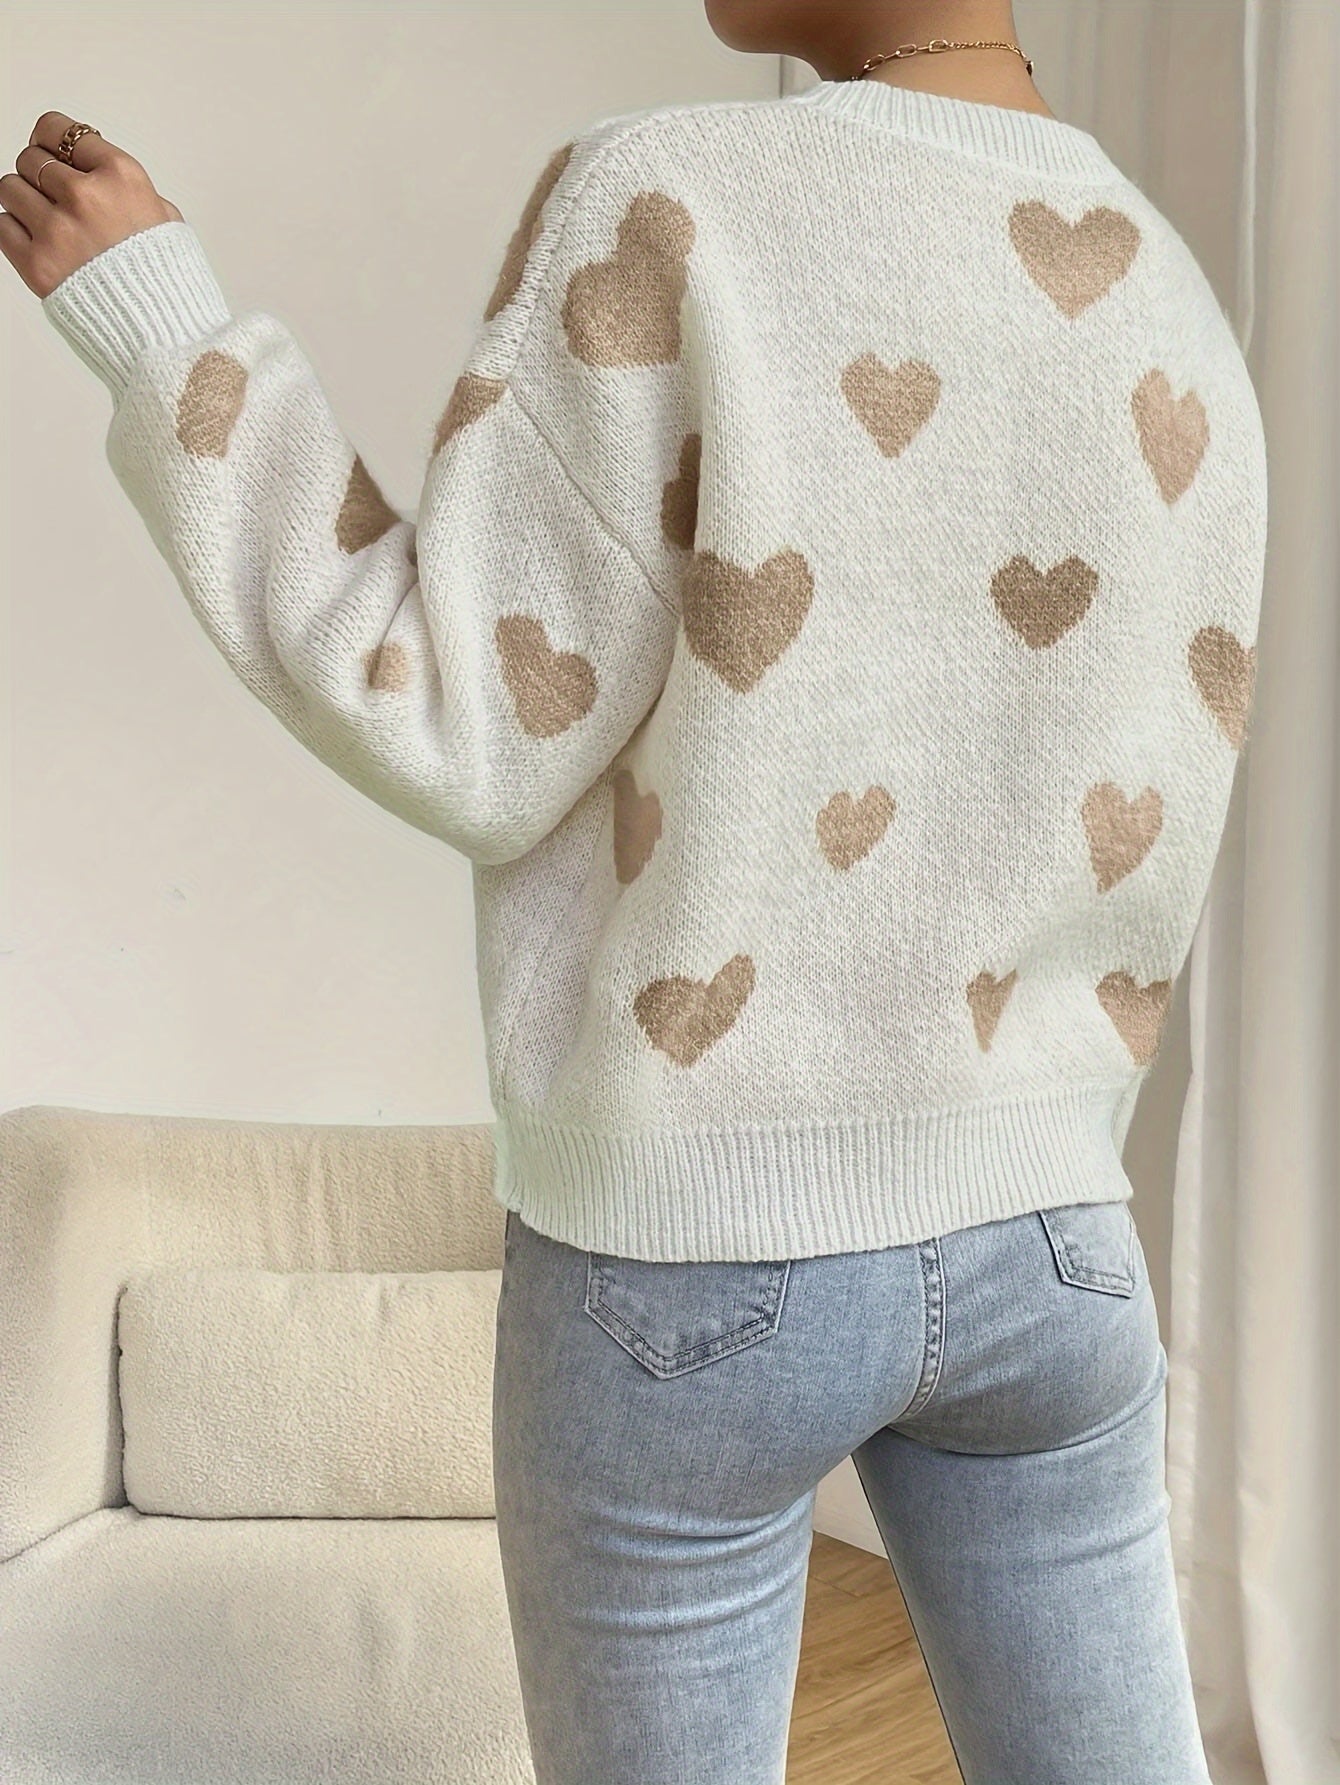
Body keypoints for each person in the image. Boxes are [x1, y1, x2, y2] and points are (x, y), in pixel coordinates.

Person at [6, 0, 1266, 1779]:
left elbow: (461, 718)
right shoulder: (1161, 284)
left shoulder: (671, 198)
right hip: (1056, 1241)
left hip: (693, 1263)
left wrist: (164, 330)